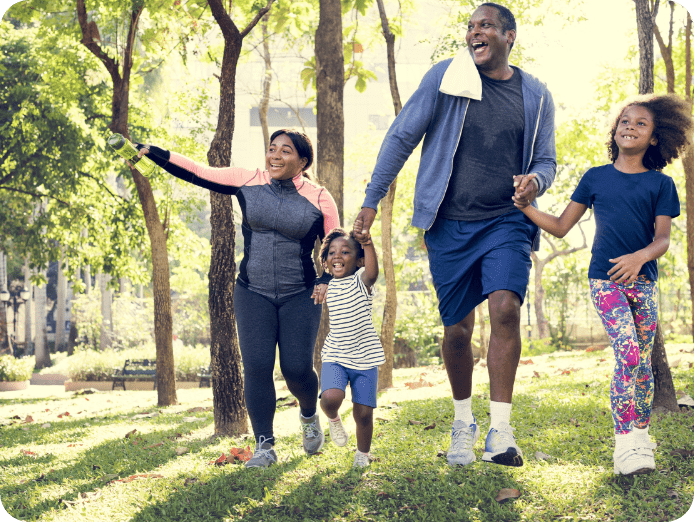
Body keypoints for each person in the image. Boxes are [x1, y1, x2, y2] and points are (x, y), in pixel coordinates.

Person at [353, 2, 556, 468]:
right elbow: (402, 136)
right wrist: (371, 198)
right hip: (448, 223)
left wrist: (536, 182)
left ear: (509, 36)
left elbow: (546, 160)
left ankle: (500, 432)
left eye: (485, 25)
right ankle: (463, 420)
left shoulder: (536, 95)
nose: (474, 33)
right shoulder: (447, 77)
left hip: (506, 219)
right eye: (470, 27)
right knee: (458, 330)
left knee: (505, 308)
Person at [132, 129, 339, 469]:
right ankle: (265, 446)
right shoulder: (249, 180)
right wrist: (153, 152)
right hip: (252, 291)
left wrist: (326, 280)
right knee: (257, 366)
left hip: (299, 294)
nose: (275, 155)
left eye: (285, 151)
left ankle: (307, 414)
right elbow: (199, 172)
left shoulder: (319, 198)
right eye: (272, 148)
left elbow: (333, 245)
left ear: (302, 161)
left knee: (296, 368)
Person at [514, 94, 692, 475]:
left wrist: (640, 257)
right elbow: (561, 227)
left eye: (641, 123)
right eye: (625, 121)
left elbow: (663, 239)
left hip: (642, 281)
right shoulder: (595, 177)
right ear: (615, 130)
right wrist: (527, 206)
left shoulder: (661, 184)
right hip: (604, 280)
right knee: (628, 353)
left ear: (655, 138)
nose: (630, 126)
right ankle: (624, 443)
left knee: (642, 365)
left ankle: (641, 436)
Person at [316, 221, 385, 468]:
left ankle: (362, 455)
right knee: (331, 398)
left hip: (365, 357)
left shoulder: (361, 280)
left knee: (364, 413)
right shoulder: (325, 284)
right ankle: (333, 420)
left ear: (358, 260)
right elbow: (317, 279)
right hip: (335, 353)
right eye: (332, 252)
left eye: (345, 252)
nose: (337, 256)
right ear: (326, 261)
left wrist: (367, 243)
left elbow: (374, 272)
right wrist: (321, 279)